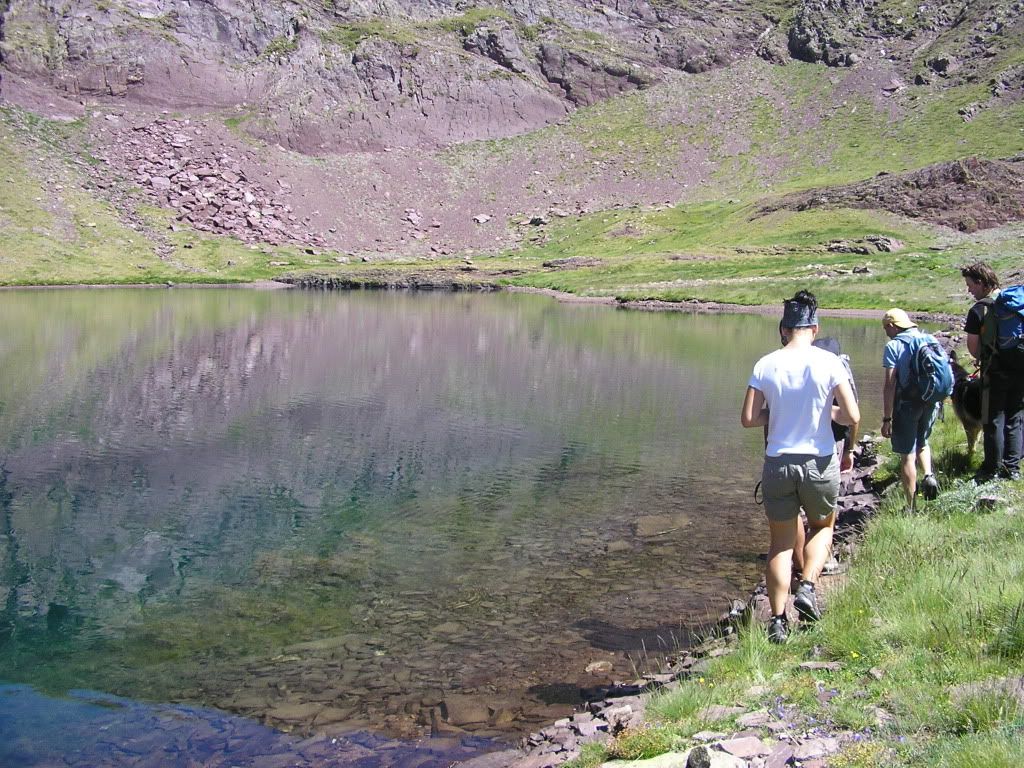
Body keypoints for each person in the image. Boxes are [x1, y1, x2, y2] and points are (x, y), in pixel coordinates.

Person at [742, 291, 860, 644]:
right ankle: (807, 585)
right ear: (815, 328)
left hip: (778, 462)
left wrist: (777, 414)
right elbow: (852, 415)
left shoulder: (765, 364)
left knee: (780, 544)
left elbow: (749, 418)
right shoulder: (830, 362)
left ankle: (778, 621)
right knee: (822, 526)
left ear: (783, 329)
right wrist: (827, 413)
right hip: (819, 462)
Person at [962, 262, 1022, 481]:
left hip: (995, 370)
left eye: (970, 285)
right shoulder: (1015, 302)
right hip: (1021, 366)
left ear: (981, 283)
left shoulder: (980, 309)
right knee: (1015, 415)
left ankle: (992, 468)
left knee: (993, 418)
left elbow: (973, 348)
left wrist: (985, 357)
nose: (969, 290)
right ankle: (1012, 468)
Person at [880, 308, 941, 507]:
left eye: (886, 328)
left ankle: (911, 506)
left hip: (907, 404)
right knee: (922, 442)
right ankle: (929, 475)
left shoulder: (894, 346)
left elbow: (890, 385)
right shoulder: (928, 339)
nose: (886, 332)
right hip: (930, 400)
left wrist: (887, 418)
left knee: (907, 454)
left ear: (892, 325)